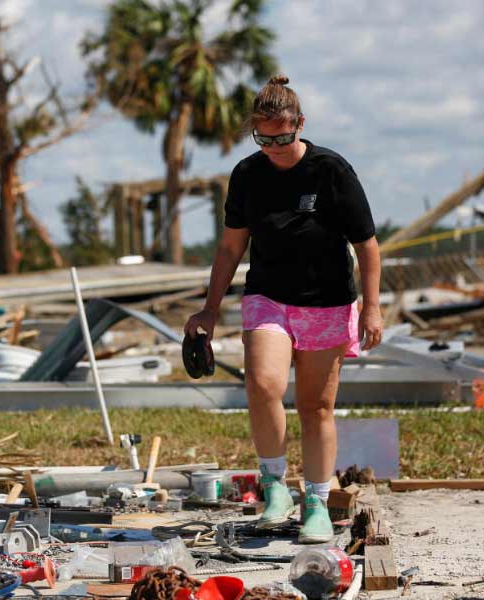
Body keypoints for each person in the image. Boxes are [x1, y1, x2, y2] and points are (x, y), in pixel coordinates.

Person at [184, 75, 382, 544]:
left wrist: (371, 308)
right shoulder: (247, 175)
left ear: (300, 125)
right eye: (263, 139)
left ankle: (315, 502)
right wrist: (209, 309)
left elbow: (367, 246)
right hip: (268, 297)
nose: (273, 148)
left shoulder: (332, 171)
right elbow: (230, 248)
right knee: (262, 384)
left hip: (327, 302)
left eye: (282, 138)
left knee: (316, 407)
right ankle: (275, 488)